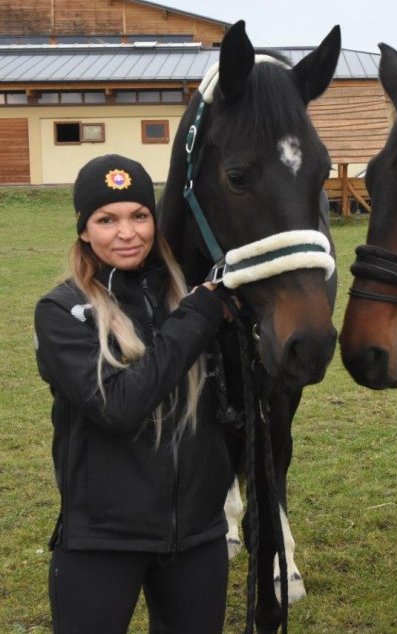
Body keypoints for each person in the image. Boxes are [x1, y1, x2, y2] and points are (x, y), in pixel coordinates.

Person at [34, 154, 235, 633]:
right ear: (84, 230)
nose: (127, 233)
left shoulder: (189, 294)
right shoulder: (63, 311)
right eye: (107, 220)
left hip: (195, 538)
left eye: (139, 216)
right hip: (103, 540)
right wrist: (196, 320)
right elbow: (120, 406)